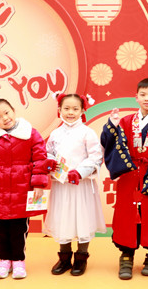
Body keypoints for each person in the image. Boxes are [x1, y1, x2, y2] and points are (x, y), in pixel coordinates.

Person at [0, 98, 54, 279]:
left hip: (23, 188)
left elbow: (40, 159)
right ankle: (4, 260)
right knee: (0, 228)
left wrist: (38, 183)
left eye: (6, 112)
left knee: (19, 228)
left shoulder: (30, 133)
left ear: (13, 110)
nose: (5, 118)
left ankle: (19, 261)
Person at [100, 78, 148, 280]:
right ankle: (126, 254)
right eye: (143, 95)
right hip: (130, 174)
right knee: (128, 215)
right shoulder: (126, 121)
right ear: (136, 97)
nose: (147, 98)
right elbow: (111, 143)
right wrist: (112, 126)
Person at [43, 93, 106, 276]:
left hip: (81, 185)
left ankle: (81, 257)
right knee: (63, 218)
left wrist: (79, 172)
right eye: (67, 108)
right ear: (59, 110)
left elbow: (96, 157)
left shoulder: (87, 132)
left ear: (82, 110)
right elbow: (48, 152)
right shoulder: (55, 133)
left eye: (75, 109)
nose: (70, 112)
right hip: (61, 185)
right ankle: (64, 258)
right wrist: (50, 162)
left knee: (83, 218)